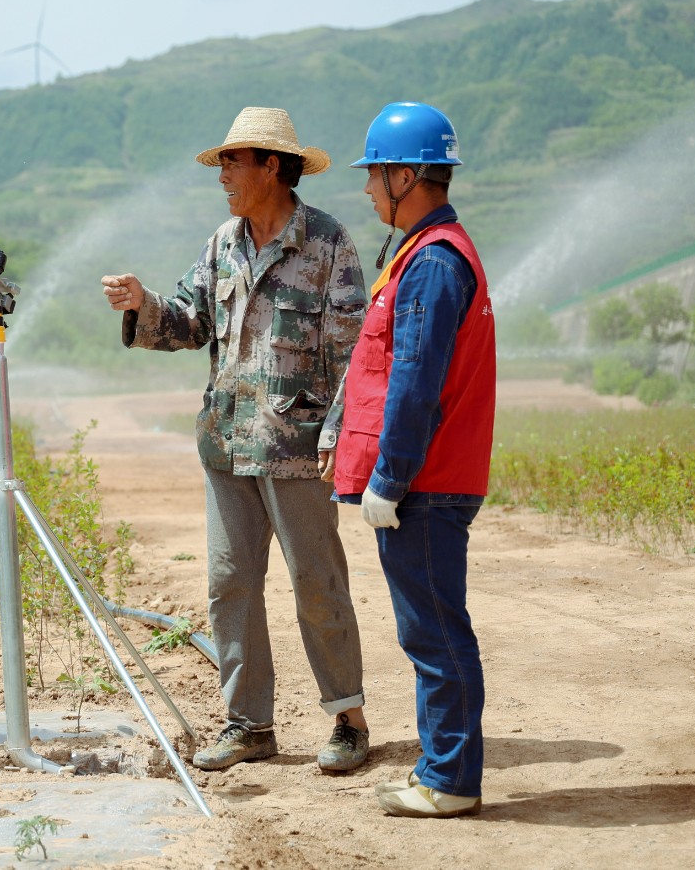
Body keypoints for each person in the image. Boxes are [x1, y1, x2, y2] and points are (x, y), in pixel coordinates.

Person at [101, 106, 372, 774]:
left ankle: (348, 718)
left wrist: (339, 433)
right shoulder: (223, 243)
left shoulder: (328, 243)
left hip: (298, 448)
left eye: (232, 161)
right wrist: (143, 303)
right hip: (226, 445)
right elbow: (189, 322)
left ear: (271, 166)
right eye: (221, 162)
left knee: (317, 581)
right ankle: (249, 725)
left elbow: (352, 352)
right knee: (230, 585)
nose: (222, 173)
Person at [320, 101, 496, 818]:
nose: (366, 190)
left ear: (408, 174)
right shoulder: (425, 253)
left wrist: (388, 481)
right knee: (429, 629)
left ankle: (450, 780)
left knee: (434, 633)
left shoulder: (432, 263)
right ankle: (441, 771)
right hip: (428, 480)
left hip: (424, 484)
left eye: (375, 176)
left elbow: (416, 380)